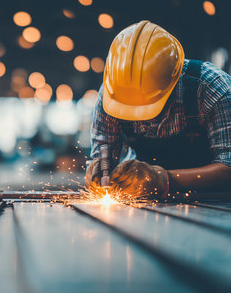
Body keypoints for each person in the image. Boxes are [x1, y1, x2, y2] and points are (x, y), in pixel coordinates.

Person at [86, 20, 231, 198]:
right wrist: (100, 169)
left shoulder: (211, 87)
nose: (139, 117)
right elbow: (104, 154)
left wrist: (163, 179)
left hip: (215, 204)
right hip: (144, 200)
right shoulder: (112, 93)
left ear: (174, 79)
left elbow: (228, 167)